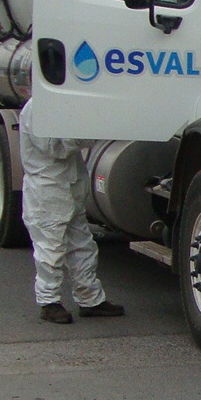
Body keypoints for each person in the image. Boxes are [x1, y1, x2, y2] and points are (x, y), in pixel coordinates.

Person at [19, 98, 125, 324]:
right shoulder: (37, 109)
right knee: (51, 249)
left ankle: (90, 299)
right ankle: (49, 302)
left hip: (68, 187)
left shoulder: (58, 106)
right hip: (47, 191)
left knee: (82, 245)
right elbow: (55, 147)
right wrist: (88, 130)